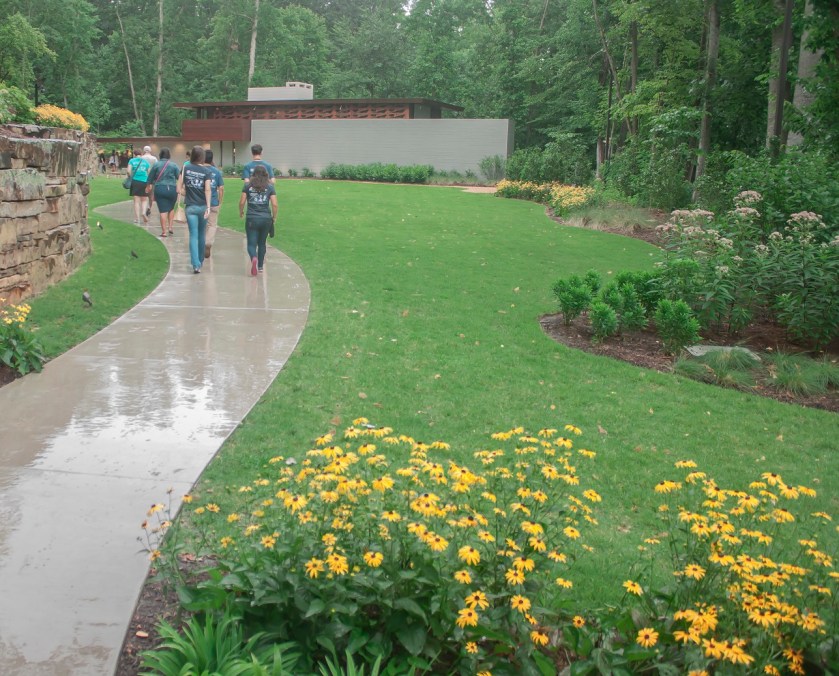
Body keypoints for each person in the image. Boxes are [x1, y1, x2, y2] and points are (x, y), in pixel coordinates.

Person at [177, 145, 213, 273]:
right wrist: (208, 206)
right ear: (202, 157)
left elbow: (178, 188)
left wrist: (188, 193)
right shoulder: (206, 171)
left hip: (190, 206)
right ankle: (201, 260)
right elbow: (207, 189)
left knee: (193, 235)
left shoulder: (185, 168)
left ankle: (195, 264)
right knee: (202, 234)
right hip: (203, 206)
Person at [239, 164, 277, 276]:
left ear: (253, 174)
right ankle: (260, 266)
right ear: (266, 174)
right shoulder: (270, 187)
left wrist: (241, 211)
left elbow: (242, 201)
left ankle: (253, 258)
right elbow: (274, 204)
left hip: (252, 217)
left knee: (251, 244)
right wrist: (274, 217)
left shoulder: (248, 185)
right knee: (262, 243)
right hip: (266, 218)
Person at [146, 147, 180, 237]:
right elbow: (179, 177)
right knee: (171, 208)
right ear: (169, 155)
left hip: (160, 188)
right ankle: (170, 227)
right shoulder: (174, 165)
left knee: (163, 210)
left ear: (160, 155)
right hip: (172, 188)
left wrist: (148, 186)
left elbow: (150, 177)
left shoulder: (156, 165)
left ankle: (164, 231)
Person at [203, 149, 224, 259]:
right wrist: (220, 201)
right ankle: (208, 242)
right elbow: (221, 188)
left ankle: (201, 243)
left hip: (200, 201)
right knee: (212, 225)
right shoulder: (216, 172)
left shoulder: (199, 170)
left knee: (201, 225)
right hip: (213, 202)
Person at [127, 148, 152, 224]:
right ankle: (144, 213)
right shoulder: (146, 162)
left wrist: (129, 176)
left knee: (136, 201)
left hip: (135, 181)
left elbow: (128, 171)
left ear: (134, 154)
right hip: (144, 181)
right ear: (141, 154)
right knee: (144, 199)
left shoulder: (132, 161)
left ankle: (137, 218)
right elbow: (149, 173)